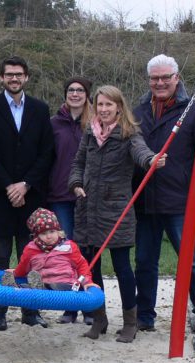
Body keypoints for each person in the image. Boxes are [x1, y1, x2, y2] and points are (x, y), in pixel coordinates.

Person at [131, 54, 195, 335]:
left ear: (176, 78)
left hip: (181, 199)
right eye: (155, 78)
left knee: (191, 257)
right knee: (145, 260)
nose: (160, 83)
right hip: (145, 199)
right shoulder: (138, 111)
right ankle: (145, 315)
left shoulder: (194, 110)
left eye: (165, 77)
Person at [69, 85, 166, 343]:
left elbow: (141, 153)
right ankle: (99, 318)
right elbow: (78, 163)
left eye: (108, 105)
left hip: (116, 211)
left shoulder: (129, 134)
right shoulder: (90, 132)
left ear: (119, 107)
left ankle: (130, 322)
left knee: (122, 268)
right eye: (100, 105)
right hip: (88, 209)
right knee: (92, 268)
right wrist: (76, 184)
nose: (103, 110)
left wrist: (152, 160)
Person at [0, 55, 56, 331]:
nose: (14, 78)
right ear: (1, 77)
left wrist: (26, 184)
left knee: (31, 256)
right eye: (9, 74)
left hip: (30, 196)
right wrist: (9, 185)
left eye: (19, 74)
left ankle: (30, 311)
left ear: (26, 77)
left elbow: (47, 152)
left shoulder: (40, 109)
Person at [48, 76, 92, 325]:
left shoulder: (94, 123)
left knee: (84, 251)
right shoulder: (54, 123)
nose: (75, 94)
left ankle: (87, 306)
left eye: (80, 90)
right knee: (65, 251)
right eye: (71, 90)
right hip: (59, 195)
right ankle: (69, 307)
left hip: (86, 196)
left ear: (87, 95)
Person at [2, 208, 96, 293]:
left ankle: (38, 288)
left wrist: (87, 282)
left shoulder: (69, 247)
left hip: (66, 284)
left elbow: (81, 265)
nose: (49, 236)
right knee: (27, 287)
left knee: (56, 286)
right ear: (36, 236)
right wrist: (15, 273)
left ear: (58, 231)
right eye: (43, 233)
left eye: (52, 232)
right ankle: (13, 287)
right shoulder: (31, 249)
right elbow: (24, 266)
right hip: (42, 282)